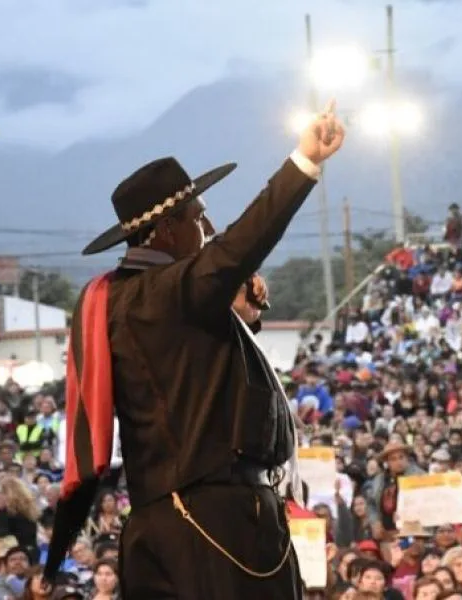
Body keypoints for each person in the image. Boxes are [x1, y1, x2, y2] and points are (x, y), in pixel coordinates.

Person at [43, 101, 346, 598]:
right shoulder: (167, 290)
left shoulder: (126, 299)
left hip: (166, 519)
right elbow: (240, 246)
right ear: (166, 229)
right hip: (215, 520)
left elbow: (192, 361)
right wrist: (305, 160)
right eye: (200, 221)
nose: (208, 234)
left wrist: (235, 314)